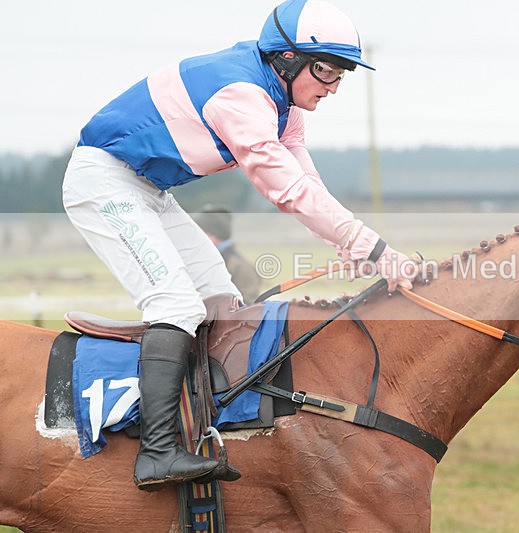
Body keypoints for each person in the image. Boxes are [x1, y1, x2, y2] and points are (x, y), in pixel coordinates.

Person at [62, 0, 415, 491]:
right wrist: (372, 247)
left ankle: (205, 422)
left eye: (341, 75)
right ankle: (157, 452)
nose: (333, 87)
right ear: (287, 60)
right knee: (176, 304)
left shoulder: (282, 102)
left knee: (221, 298)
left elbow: (301, 175)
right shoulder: (242, 95)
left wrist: (350, 244)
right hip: (105, 182)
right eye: (325, 71)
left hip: (147, 189)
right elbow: (284, 188)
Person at [193, 205, 262, 304]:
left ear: (213, 235)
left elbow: (249, 307)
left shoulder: (241, 267)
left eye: (200, 233)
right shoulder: (204, 260)